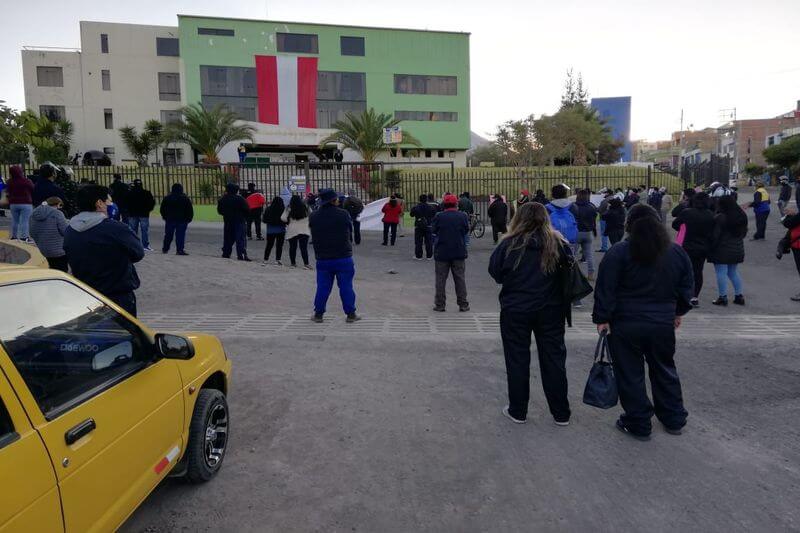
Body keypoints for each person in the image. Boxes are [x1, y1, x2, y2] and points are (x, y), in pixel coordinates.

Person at [593, 204, 694, 441]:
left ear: (629, 225)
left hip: (626, 323)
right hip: (662, 322)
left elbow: (605, 288)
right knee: (665, 369)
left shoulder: (619, 252)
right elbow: (687, 286)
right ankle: (673, 417)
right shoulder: (676, 253)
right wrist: (678, 311)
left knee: (630, 373)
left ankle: (638, 421)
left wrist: (602, 318)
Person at [489, 202, 572, 426]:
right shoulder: (559, 243)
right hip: (551, 310)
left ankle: (518, 410)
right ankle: (561, 412)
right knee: (554, 359)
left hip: (516, 309)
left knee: (517, 359)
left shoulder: (509, 244)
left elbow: (495, 272)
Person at [63, 185, 145, 316]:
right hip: (117, 295)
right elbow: (138, 253)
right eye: (109, 201)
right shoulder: (116, 229)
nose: (111, 204)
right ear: (99, 203)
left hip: (86, 294)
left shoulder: (70, 230)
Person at [308, 188, 360, 323]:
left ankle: (318, 314)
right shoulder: (343, 214)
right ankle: (351, 314)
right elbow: (349, 230)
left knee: (323, 287)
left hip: (323, 258)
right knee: (346, 286)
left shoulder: (314, 215)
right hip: (343, 256)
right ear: (334, 200)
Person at [672, 192, 715, 307]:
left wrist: (685, 229)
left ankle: (681, 294)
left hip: (686, 245)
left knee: (683, 270)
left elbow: (675, 224)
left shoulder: (687, 213)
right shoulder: (711, 215)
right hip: (703, 247)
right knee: (698, 271)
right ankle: (694, 297)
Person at [431, 194, 470, 312]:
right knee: (460, 279)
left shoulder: (439, 216)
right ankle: (463, 304)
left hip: (442, 252)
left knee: (440, 280)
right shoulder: (462, 216)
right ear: (456, 204)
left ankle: (440, 304)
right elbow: (466, 230)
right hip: (458, 251)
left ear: (444, 204)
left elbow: (434, 230)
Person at [708, 195, 747, 306]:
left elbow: (715, 235)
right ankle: (739, 296)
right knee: (733, 272)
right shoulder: (741, 215)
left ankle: (723, 297)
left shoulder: (721, 217)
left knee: (721, 272)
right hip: (737, 248)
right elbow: (744, 233)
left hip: (721, 249)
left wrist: (710, 247)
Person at [29, 196, 69, 271]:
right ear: (58, 204)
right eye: (60, 206)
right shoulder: (57, 213)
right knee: (61, 271)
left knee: (51, 269)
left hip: (42, 249)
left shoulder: (33, 213)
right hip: (59, 250)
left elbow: (31, 232)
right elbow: (65, 231)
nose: (60, 208)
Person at [217, 183, 250, 261]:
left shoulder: (223, 199)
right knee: (240, 239)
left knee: (228, 238)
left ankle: (226, 253)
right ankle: (241, 255)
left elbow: (220, 211)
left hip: (228, 221)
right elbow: (247, 210)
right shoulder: (240, 199)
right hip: (239, 221)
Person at [159, 183, 193, 255]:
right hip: (182, 220)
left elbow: (162, 209)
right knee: (180, 235)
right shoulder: (185, 198)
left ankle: (165, 248)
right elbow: (189, 210)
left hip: (170, 219)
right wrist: (189, 218)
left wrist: (165, 217)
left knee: (168, 235)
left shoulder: (167, 198)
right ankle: (180, 250)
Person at [574, 188, 598, 281]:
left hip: (576, 232)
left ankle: (573, 275)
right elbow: (594, 219)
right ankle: (591, 274)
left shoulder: (574, 206)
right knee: (589, 255)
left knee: (572, 255)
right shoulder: (591, 206)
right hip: (588, 232)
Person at [282, 195, 312, 269]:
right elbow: (312, 215)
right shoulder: (306, 207)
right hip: (304, 229)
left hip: (292, 230)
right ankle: (306, 264)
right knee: (304, 248)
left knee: (292, 247)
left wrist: (289, 221)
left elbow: (283, 218)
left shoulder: (289, 208)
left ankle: (293, 263)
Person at [6, 165, 34, 243]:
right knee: (25, 221)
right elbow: (32, 189)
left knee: (15, 220)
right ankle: (24, 237)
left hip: (13, 204)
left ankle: (14, 236)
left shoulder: (9, 182)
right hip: (26, 203)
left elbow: (8, 192)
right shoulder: (27, 181)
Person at [126, 179, 156, 251]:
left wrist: (128, 210)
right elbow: (152, 202)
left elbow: (126, 203)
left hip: (132, 214)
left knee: (133, 230)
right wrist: (148, 209)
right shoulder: (146, 193)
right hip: (144, 214)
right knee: (144, 230)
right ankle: (145, 245)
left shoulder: (130, 193)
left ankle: (134, 245)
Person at [410, 194, 437, 260]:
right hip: (428, 225)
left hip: (418, 225)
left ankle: (419, 256)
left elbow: (411, 215)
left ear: (419, 199)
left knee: (418, 241)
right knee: (428, 241)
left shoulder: (416, 207)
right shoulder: (430, 207)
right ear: (426, 199)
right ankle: (429, 256)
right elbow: (433, 214)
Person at [262, 196, 287, 265]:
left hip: (270, 230)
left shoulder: (268, 209)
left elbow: (264, 220)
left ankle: (265, 259)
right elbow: (285, 220)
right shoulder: (283, 209)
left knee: (269, 245)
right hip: (281, 230)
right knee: (279, 246)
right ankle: (278, 259)